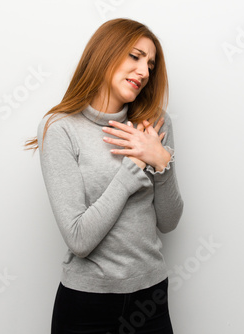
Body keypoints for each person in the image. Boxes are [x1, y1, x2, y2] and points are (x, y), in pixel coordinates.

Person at [24, 18, 184, 334]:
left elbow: (169, 221)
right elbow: (79, 239)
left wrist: (161, 162)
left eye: (150, 64)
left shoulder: (155, 124)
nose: (144, 71)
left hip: (150, 298)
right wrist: (130, 173)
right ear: (105, 53)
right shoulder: (59, 128)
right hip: (86, 306)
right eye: (135, 56)